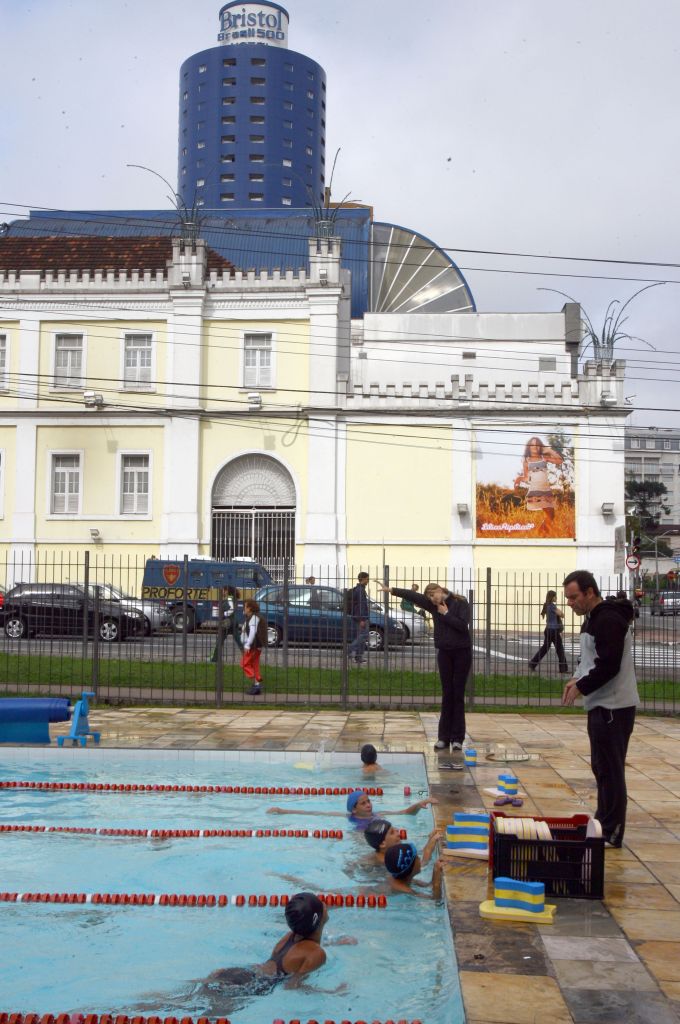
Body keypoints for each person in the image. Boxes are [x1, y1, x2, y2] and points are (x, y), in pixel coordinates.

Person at [561, 570, 639, 848]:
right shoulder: (593, 619)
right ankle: (603, 821)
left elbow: (609, 665)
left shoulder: (608, 619)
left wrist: (583, 686)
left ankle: (612, 830)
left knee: (611, 769)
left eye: (573, 597)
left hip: (614, 707)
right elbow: (591, 661)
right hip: (601, 704)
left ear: (589, 592)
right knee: (601, 768)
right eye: (568, 598)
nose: (569, 603)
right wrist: (577, 678)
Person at [378, 580, 471, 752]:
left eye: (432, 594)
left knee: (457, 695)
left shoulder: (461, 602)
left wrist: (446, 613)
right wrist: (391, 590)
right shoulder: (432, 605)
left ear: (439, 590)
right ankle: (443, 737)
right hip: (444, 652)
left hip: (462, 653)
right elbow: (413, 596)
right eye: (428, 596)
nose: (431, 599)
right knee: (447, 694)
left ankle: (457, 738)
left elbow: (462, 627)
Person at [267, 789, 437, 830]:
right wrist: (282, 810)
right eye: (363, 803)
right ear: (354, 810)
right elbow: (315, 813)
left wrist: (419, 804)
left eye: (369, 801)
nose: (369, 804)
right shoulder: (349, 818)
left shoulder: (378, 814)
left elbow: (405, 813)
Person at [514, 436, 563, 535]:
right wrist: (519, 478)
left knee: (552, 515)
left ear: (540, 446)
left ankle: (541, 534)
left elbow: (559, 460)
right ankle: (541, 534)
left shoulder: (544, 457)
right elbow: (527, 477)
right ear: (529, 447)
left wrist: (549, 450)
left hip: (546, 490)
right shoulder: (526, 460)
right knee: (550, 515)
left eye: (537, 445)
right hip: (536, 490)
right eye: (532, 445)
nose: (534, 447)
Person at [529, 590, 569, 673]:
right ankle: (563, 669)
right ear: (552, 597)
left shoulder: (546, 605)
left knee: (545, 648)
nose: (556, 598)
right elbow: (562, 614)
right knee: (560, 649)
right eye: (555, 596)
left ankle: (532, 663)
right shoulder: (552, 606)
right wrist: (560, 612)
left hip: (548, 630)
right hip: (553, 631)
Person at [209, 586, 243, 663]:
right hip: (233, 622)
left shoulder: (230, 598)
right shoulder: (233, 598)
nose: (223, 592)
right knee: (239, 641)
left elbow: (231, 609)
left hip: (226, 623)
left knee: (219, 641)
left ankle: (214, 658)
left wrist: (224, 613)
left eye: (224, 590)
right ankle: (247, 656)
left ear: (227, 591)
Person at [240, 598, 265, 696]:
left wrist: (247, 644)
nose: (244, 608)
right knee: (254, 665)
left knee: (244, 664)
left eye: (245, 607)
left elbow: (252, 632)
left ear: (249, 608)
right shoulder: (252, 617)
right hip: (257, 646)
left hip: (253, 646)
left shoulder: (254, 618)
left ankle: (256, 681)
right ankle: (256, 685)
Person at [348, 572, 370, 666]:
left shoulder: (359, 589)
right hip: (360, 617)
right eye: (367, 579)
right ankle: (349, 649)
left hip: (359, 616)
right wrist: (362, 619)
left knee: (361, 636)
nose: (368, 581)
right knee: (363, 635)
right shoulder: (360, 590)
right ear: (363, 579)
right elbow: (361, 605)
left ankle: (358, 657)